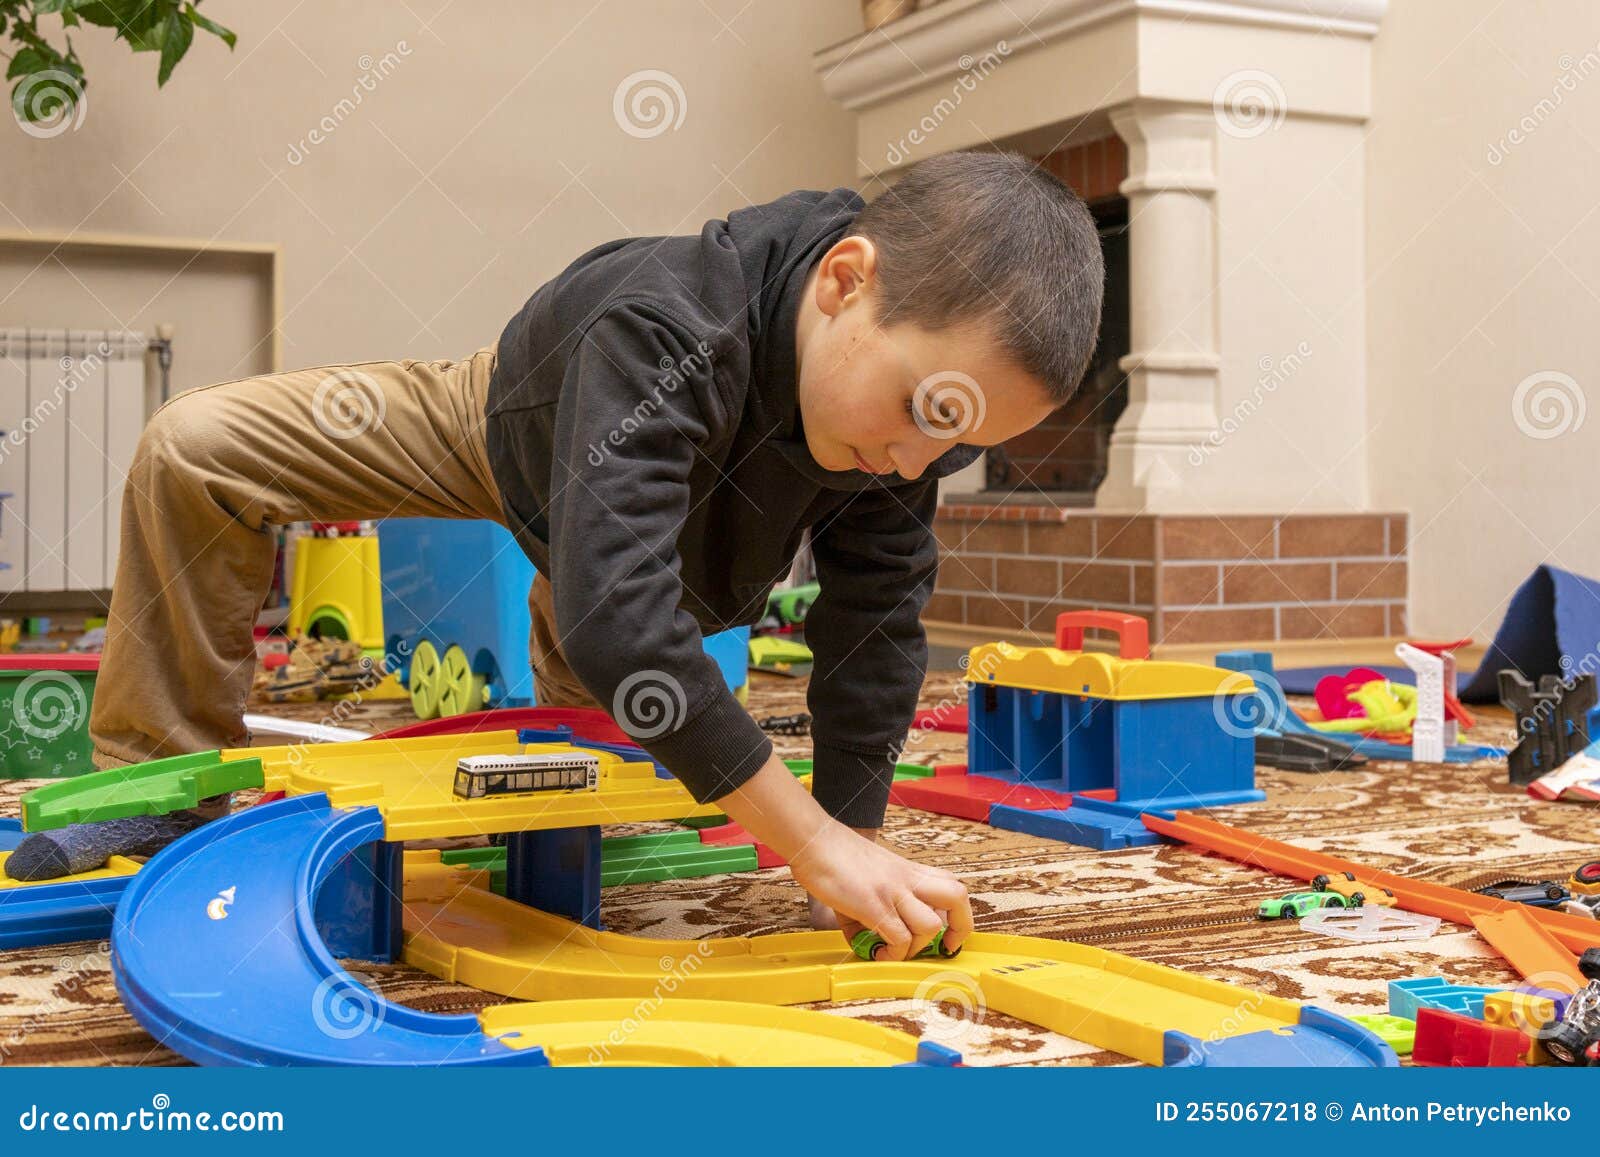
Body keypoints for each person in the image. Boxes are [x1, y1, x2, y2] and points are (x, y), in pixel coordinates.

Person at [79, 149, 1105, 961]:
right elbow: (620, 616)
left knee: (596, 743)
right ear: (845, 280)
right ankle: (161, 791)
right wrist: (805, 838)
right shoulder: (664, 322)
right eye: (924, 411)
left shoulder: (903, 421)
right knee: (196, 447)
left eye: (962, 441)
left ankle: (579, 751)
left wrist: (850, 837)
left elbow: (874, 626)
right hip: (509, 432)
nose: (919, 458)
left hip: (680, 543)